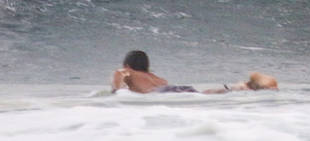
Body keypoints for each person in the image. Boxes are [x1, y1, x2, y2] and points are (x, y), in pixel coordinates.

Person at [111, 51, 278, 94]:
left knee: (204, 94)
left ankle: (243, 86)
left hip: (161, 94)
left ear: (128, 63)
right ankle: (245, 86)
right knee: (202, 93)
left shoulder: (127, 71)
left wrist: (115, 91)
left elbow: (121, 75)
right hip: (173, 89)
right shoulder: (156, 77)